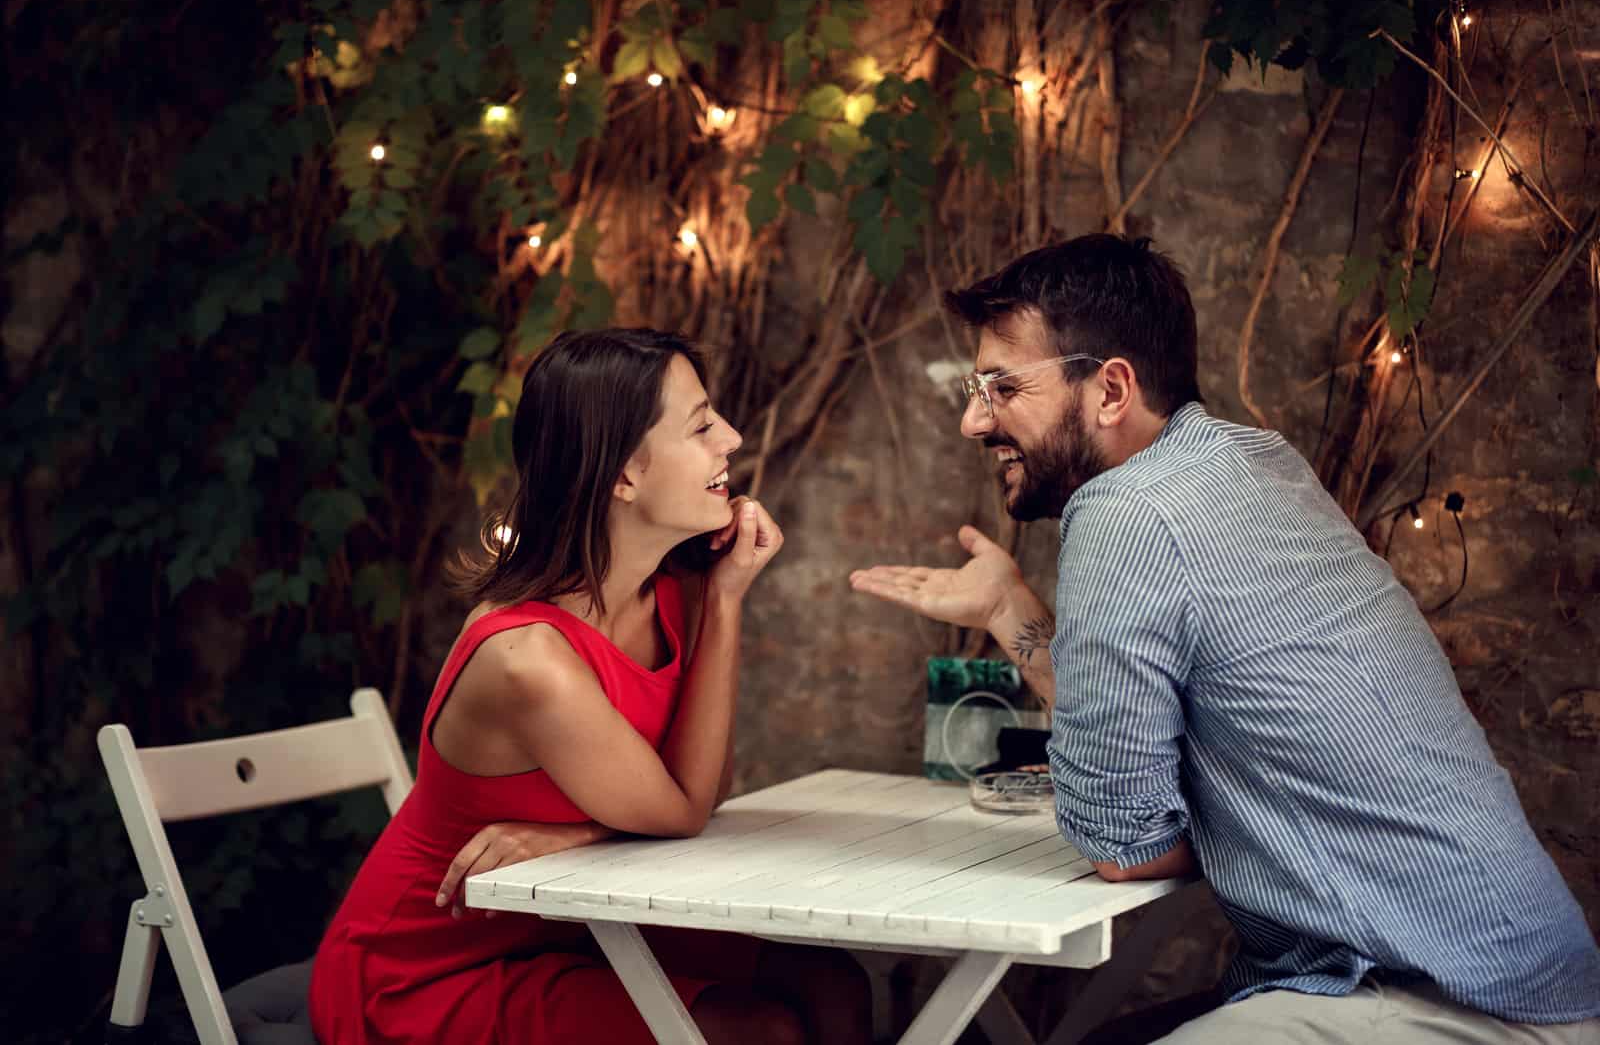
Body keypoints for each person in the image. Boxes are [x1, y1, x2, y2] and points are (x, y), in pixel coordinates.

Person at [850, 236, 1600, 1043]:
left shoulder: (1126, 513)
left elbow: (1123, 847)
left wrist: (1174, 818)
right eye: (974, 387)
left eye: (1001, 387)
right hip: (1512, 982)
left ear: (1110, 389)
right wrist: (1010, 609)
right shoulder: (1250, 461)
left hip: (1429, 995)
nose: (973, 419)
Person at [312, 328, 871, 1045]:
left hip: (564, 929)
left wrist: (573, 834)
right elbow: (685, 808)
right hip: (427, 971)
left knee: (832, 985)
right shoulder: (528, 659)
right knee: (757, 1033)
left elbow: (704, 784)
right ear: (623, 476)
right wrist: (729, 600)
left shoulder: (676, 591)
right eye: (701, 425)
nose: (731, 437)